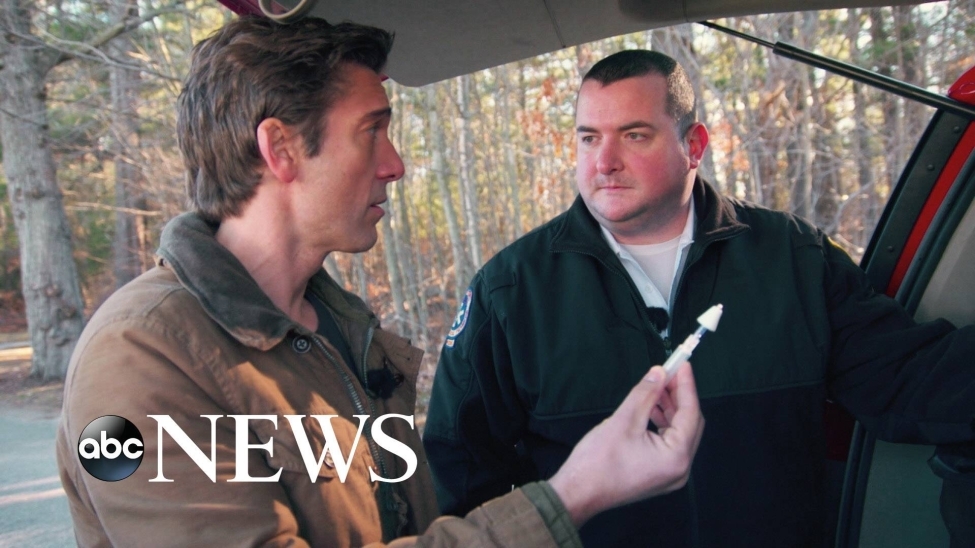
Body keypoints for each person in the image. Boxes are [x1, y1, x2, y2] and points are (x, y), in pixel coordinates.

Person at [54, 19, 706, 548]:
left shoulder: (336, 329)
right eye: (372, 132)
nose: (394, 165)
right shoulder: (144, 356)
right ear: (279, 148)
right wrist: (571, 495)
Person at [423, 49, 975, 547]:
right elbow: (462, 471)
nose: (603, 161)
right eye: (589, 137)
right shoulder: (511, 289)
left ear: (694, 145)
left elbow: (909, 381)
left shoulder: (792, 257)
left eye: (634, 135)